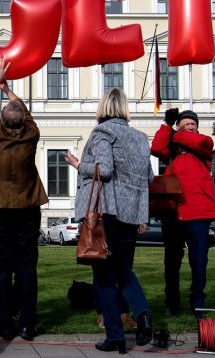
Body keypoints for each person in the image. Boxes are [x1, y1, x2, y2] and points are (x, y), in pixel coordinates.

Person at [65, 88, 153, 353]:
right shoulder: (140, 138)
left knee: (103, 276)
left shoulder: (102, 132)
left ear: (103, 107)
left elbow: (104, 170)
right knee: (123, 270)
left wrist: (77, 164)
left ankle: (115, 336)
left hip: (106, 213)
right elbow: (149, 177)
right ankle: (142, 314)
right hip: (131, 214)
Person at [0, 58, 48, 341]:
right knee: (27, 267)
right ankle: (27, 324)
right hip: (27, 209)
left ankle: (4, 324)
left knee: (1, 267)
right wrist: (8, 90)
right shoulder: (32, 134)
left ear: (1, 120)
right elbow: (24, 112)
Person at [151, 108, 215, 317]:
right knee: (171, 262)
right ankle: (172, 303)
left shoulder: (204, 141)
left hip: (198, 212)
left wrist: (175, 133)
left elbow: (199, 143)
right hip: (173, 211)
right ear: (179, 126)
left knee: (199, 261)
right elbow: (156, 148)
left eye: (193, 124)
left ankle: (198, 301)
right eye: (186, 124)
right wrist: (166, 126)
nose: (191, 127)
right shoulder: (172, 146)